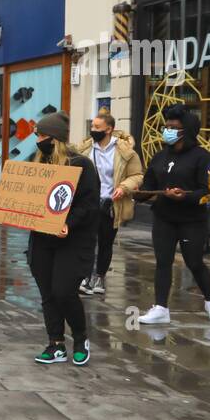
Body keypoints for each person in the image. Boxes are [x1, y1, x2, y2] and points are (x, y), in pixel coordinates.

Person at [0, 111, 101, 364]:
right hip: (42, 240)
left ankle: (80, 338)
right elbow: (23, 198)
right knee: (48, 293)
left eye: (41, 135)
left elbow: (89, 205)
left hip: (72, 242)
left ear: (55, 138)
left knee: (64, 291)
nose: (38, 139)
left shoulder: (81, 165)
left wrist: (68, 224)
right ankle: (55, 343)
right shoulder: (38, 164)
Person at [135, 104, 210, 325]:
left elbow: (209, 192)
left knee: (194, 262)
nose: (168, 131)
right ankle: (160, 307)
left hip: (191, 220)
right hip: (164, 217)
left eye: (173, 127)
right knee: (163, 262)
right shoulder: (159, 157)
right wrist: (135, 194)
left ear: (187, 131)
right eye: (166, 126)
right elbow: (148, 185)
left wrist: (185, 196)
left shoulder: (203, 158)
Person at [75, 112, 143, 295]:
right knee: (87, 241)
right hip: (88, 202)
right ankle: (85, 275)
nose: (93, 130)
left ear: (109, 129)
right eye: (92, 127)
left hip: (110, 203)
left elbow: (137, 175)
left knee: (105, 242)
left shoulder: (124, 151)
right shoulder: (86, 148)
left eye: (97, 127)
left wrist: (123, 187)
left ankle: (100, 276)